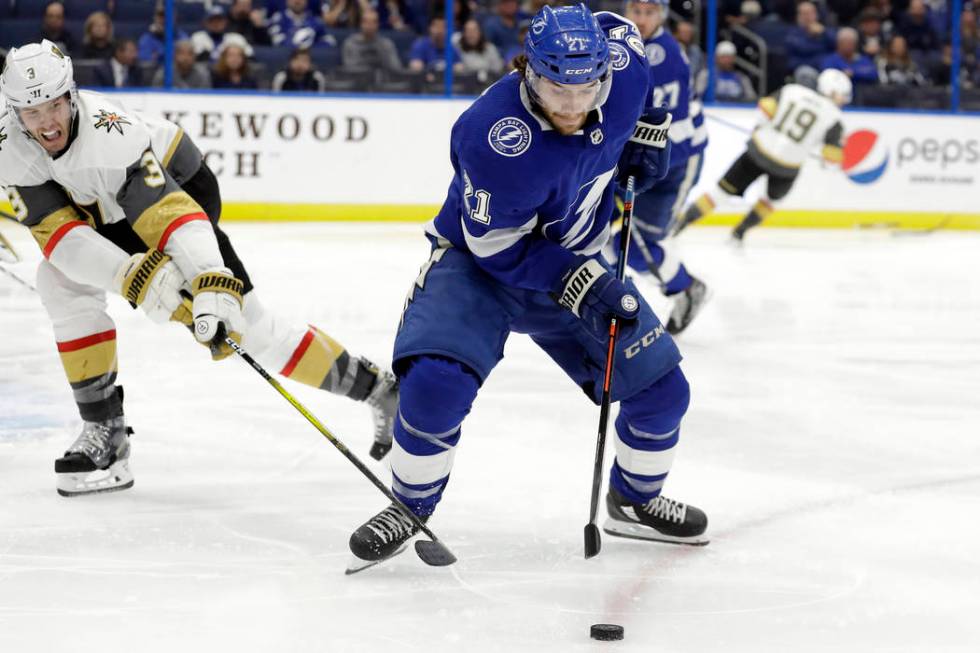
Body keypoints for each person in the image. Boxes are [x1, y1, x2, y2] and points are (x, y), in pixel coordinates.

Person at [347, 4, 708, 570]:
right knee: (436, 385)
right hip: (479, 267)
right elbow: (497, 248)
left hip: (578, 255)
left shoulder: (625, 67)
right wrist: (580, 281)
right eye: (554, 87)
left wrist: (644, 128)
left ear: (605, 75)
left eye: (586, 88)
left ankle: (632, 501)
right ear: (528, 73)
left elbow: (618, 24)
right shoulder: (491, 136)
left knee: (664, 394)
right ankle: (410, 504)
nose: (571, 104)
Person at [0, 40, 397, 497]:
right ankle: (105, 432)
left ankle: (375, 387)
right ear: (14, 113)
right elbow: (61, 237)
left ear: (71, 94)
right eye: (32, 112)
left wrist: (211, 282)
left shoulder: (115, 135)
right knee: (58, 280)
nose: (47, 121)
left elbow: (171, 214)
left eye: (54, 104)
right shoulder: (10, 147)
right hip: (100, 211)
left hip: (182, 190)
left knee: (251, 329)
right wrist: (133, 278)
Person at [608, 0, 711, 336]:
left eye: (649, 12)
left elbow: (672, 135)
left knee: (637, 247)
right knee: (609, 243)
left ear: (661, 16)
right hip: (638, 157)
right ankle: (612, 303)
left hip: (672, 162)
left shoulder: (663, 57)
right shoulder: (621, 40)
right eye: (636, 11)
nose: (641, 19)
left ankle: (686, 289)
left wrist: (635, 175)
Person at [673, 69, 851, 243]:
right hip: (787, 168)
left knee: (720, 193)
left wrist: (760, 129)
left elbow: (764, 110)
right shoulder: (835, 118)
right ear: (832, 91)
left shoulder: (791, 91)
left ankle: (678, 226)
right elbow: (831, 160)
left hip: (758, 151)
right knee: (770, 202)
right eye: (842, 95)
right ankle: (739, 233)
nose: (843, 100)